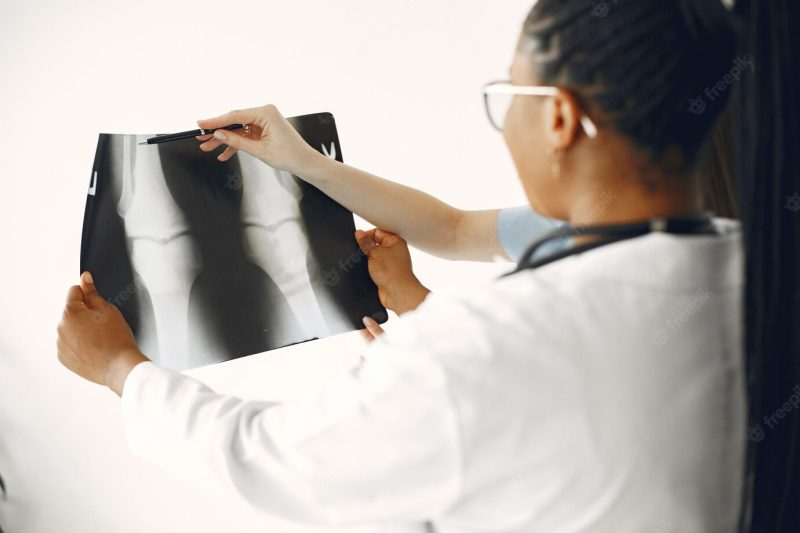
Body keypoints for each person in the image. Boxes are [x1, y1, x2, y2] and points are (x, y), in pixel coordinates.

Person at [56, 1, 800, 532]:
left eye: (510, 95)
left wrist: (125, 370)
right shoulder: (754, 268)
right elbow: (449, 228)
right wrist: (303, 163)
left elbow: (271, 460)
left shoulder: (483, 345)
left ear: (564, 118)